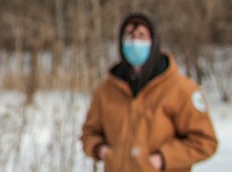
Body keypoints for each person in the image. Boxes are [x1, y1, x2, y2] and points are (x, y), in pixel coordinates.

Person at [81, 12, 217, 171]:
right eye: (129, 35)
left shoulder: (182, 89)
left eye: (141, 36)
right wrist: (101, 150)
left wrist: (163, 159)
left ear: (153, 41)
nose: (134, 42)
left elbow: (205, 142)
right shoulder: (105, 90)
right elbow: (89, 133)